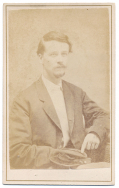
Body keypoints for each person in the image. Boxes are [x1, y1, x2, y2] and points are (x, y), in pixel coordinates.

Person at [9, 31, 110, 169]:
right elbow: (18, 152)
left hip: (80, 168)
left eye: (64, 54)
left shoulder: (76, 93)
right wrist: (59, 155)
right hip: (46, 172)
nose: (60, 60)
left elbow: (103, 115)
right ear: (40, 58)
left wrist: (95, 133)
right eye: (53, 54)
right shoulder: (23, 100)